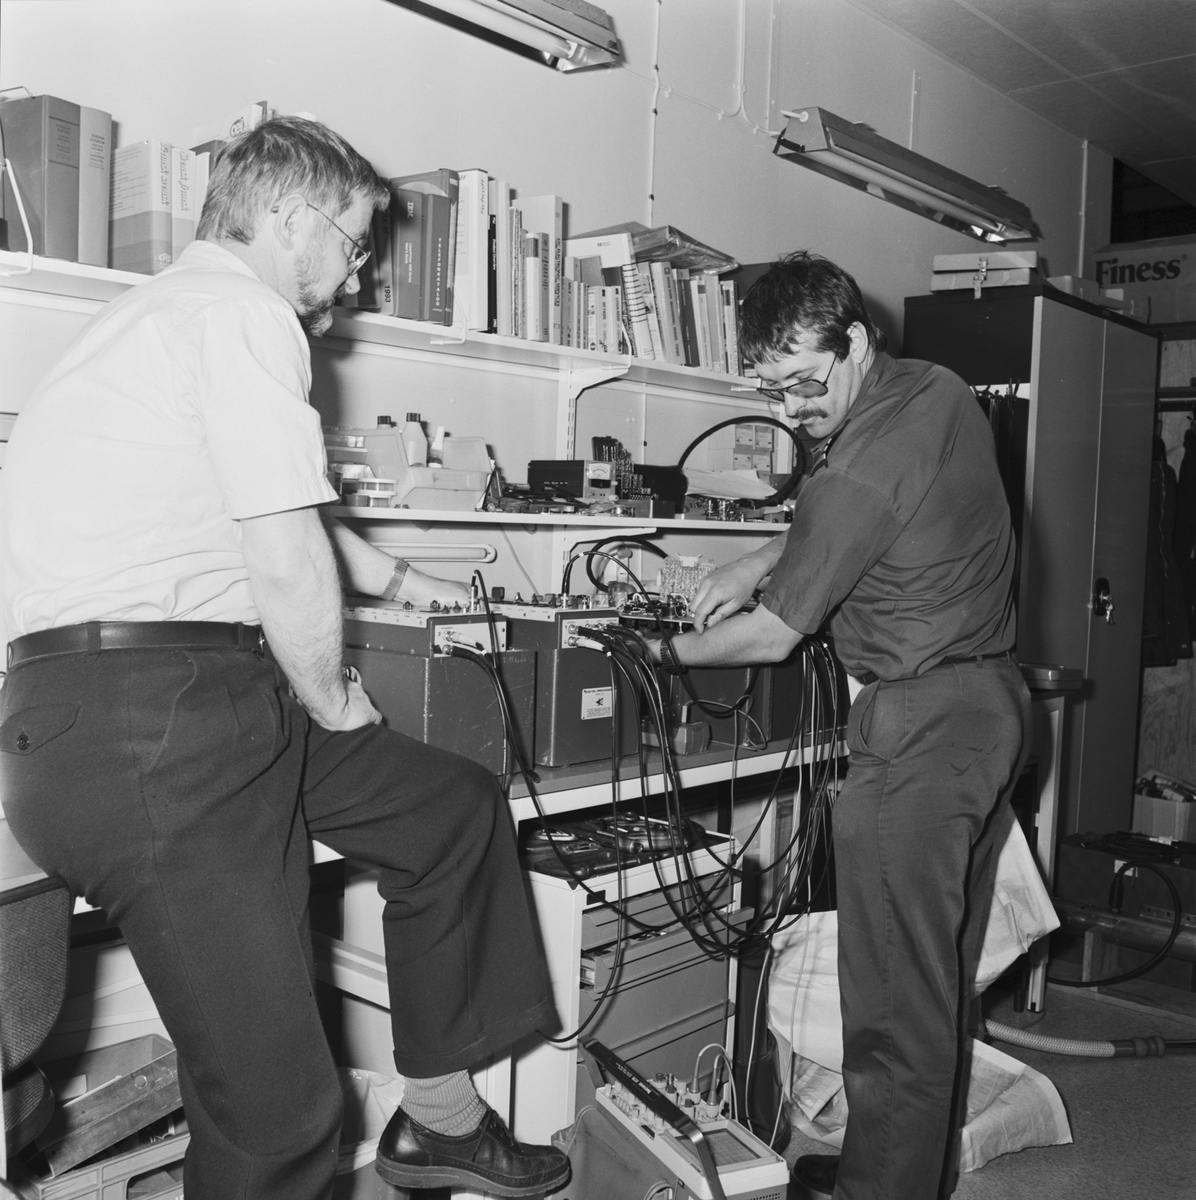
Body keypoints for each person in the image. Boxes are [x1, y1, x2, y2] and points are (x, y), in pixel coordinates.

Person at [0, 116, 569, 1200]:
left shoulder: (153, 319)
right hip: (161, 727)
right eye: (352, 244)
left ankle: (440, 1121)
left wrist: (409, 586)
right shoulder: (243, 312)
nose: (357, 276)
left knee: (450, 812)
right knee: (284, 1114)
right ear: (289, 216)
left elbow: (270, 508)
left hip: (139, 710)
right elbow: (282, 551)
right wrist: (335, 694)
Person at [647, 252, 1031, 1200]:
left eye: (804, 382)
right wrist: (748, 566)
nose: (791, 407)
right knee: (930, 990)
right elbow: (860, 517)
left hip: (922, 731)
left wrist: (656, 654)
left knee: (893, 1014)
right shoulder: (932, 391)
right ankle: (894, 1171)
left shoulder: (856, 458)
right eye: (771, 388)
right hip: (991, 713)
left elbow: (773, 637)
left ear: (856, 341)